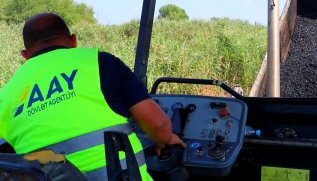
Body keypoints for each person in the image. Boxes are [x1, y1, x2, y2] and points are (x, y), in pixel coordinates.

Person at [0, 12, 185, 180]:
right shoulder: (100, 63)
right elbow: (158, 124)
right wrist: (166, 139)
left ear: (25, 55)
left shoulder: (6, 94)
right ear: (73, 41)